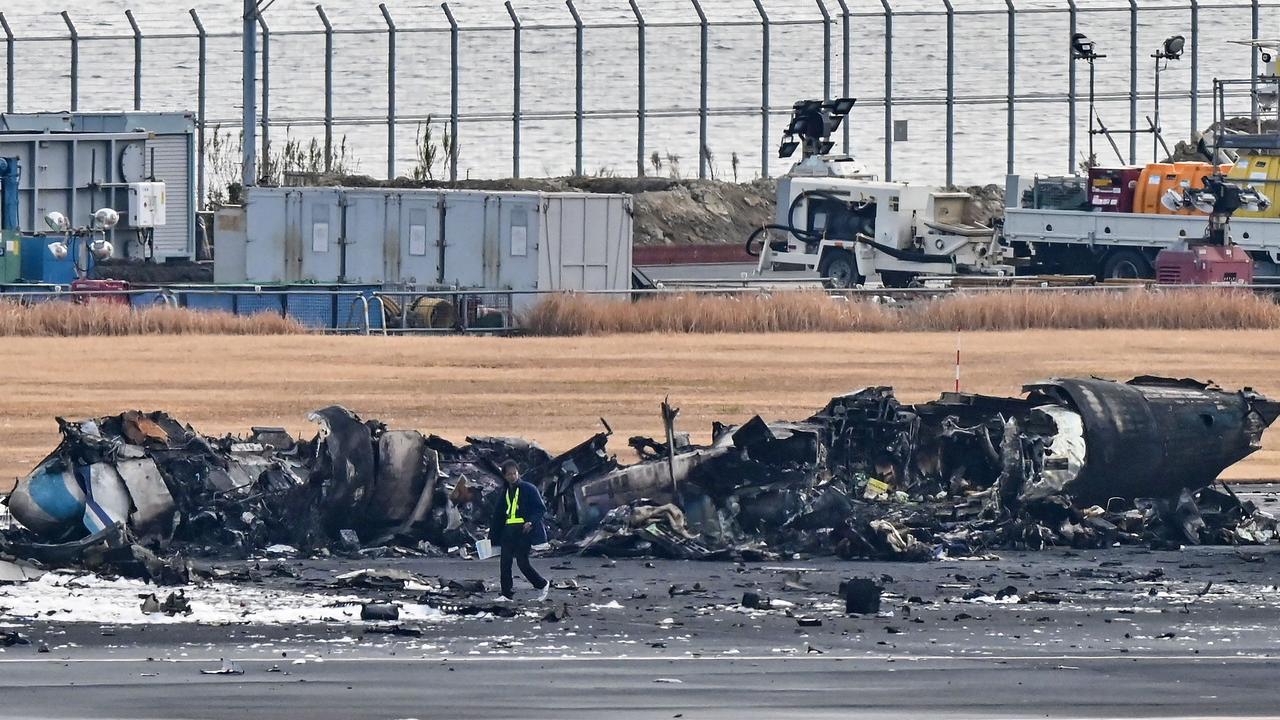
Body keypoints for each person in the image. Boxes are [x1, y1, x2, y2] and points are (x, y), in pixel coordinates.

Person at [488, 459, 550, 601]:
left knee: (522, 562)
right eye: (509, 474)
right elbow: (498, 516)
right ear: (505, 476)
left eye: (514, 473)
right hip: (508, 531)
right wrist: (492, 537)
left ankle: (542, 584)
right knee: (505, 562)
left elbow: (540, 509)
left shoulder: (529, 488)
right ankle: (506, 594)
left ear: (518, 473)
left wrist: (531, 522)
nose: (512, 477)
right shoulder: (504, 492)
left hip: (523, 530)